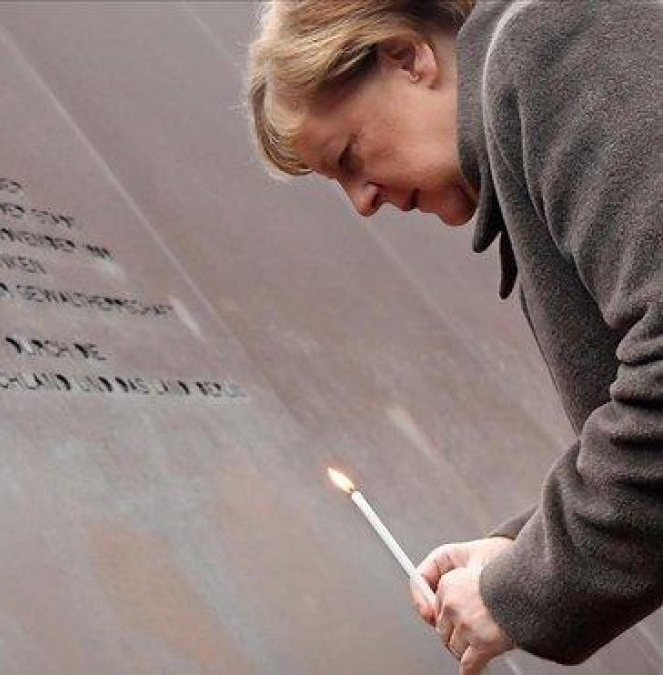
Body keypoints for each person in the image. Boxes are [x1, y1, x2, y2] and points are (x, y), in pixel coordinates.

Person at [246, 1, 662, 673]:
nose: (362, 202)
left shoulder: (550, 44)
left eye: (349, 155)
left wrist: (524, 587)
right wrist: (523, 552)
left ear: (406, 57)